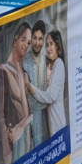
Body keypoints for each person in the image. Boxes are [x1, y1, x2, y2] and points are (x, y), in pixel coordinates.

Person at [0, 21, 34, 164]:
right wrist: (6, 153)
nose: (26, 44)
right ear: (15, 40)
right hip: (11, 147)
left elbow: (30, 114)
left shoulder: (24, 75)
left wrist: (20, 128)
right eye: (23, 39)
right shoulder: (2, 72)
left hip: (25, 141)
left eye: (28, 42)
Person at [25, 29, 67, 137]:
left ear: (57, 45)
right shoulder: (49, 65)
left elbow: (50, 96)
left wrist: (30, 87)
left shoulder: (59, 64)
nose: (48, 48)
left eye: (51, 44)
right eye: (47, 45)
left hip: (58, 127)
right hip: (51, 127)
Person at [22, 20, 48, 148]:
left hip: (46, 113)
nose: (37, 43)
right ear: (31, 38)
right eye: (35, 38)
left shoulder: (47, 59)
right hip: (29, 115)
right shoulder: (24, 61)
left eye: (40, 39)